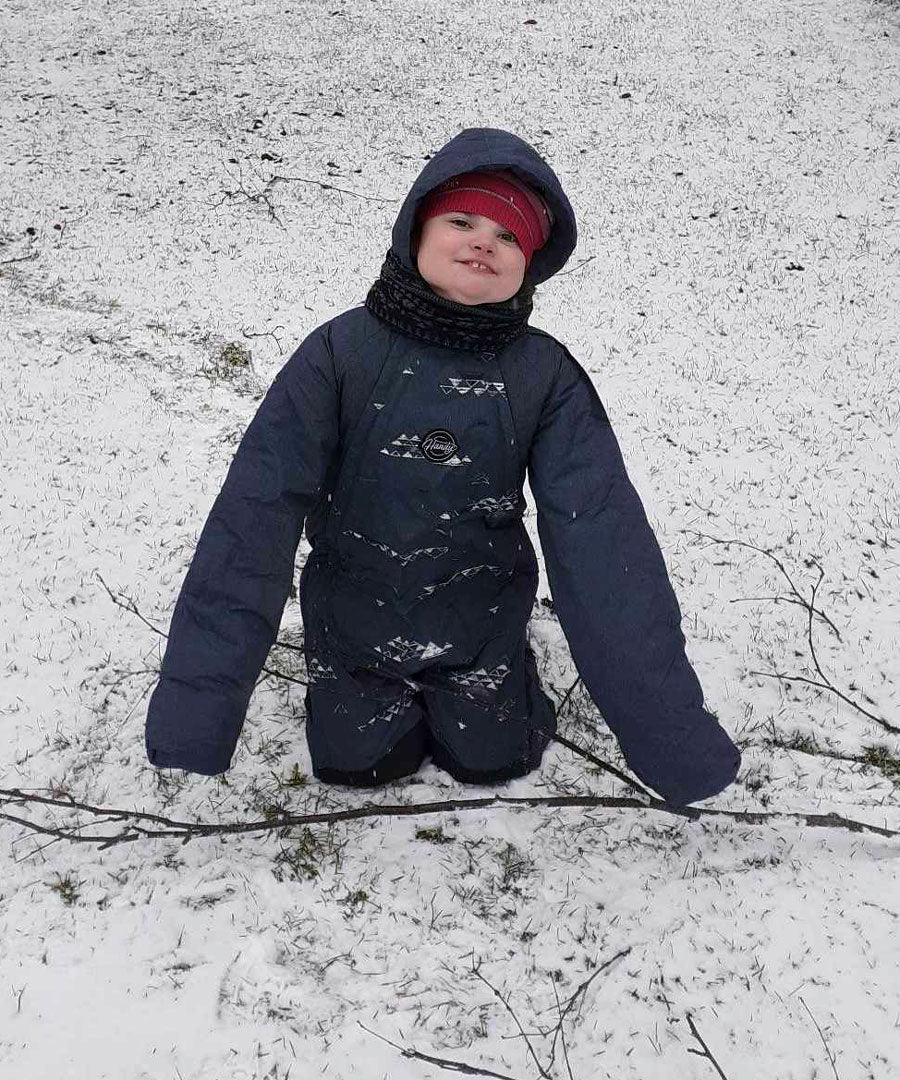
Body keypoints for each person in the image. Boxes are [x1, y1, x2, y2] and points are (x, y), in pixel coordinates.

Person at [144, 127, 741, 805]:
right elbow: (254, 516)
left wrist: (673, 741)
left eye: (510, 236)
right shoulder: (338, 355)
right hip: (353, 632)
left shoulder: (545, 376)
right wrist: (198, 715)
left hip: (480, 630)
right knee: (361, 767)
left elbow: (604, 546)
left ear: (531, 265)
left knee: (493, 762)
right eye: (463, 220)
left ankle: (507, 685)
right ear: (416, 229)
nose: (484, 240)